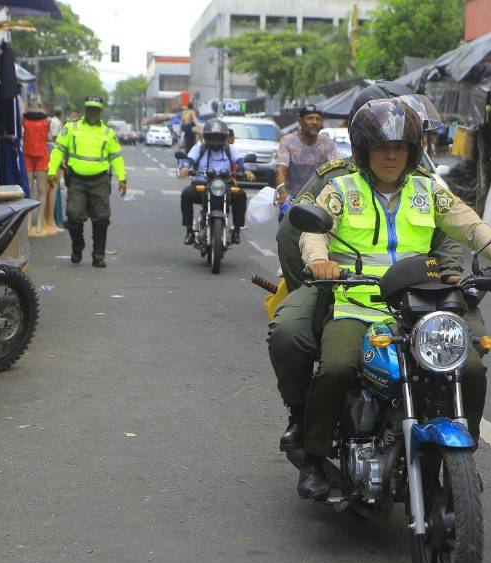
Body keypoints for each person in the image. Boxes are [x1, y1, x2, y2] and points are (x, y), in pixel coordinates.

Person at [294, 98, 491, 500]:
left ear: (411, 151)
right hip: (358, 304)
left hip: (420, 309)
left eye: (399, 147)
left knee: (469, 369)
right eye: (381, 147)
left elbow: (470, 225)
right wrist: (320, 261)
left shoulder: (428, 191)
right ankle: (315, 459)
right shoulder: (341, 188)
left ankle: (462, 459)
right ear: (363, 150)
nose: (390, 155)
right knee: (334, 368)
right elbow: (313, 230)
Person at [267, 82, 469, 454]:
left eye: (404, 129)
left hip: (422, 290)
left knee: (469, 353)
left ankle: (459, 444)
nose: (393, 143)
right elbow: (291, 236)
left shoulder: (427, 180)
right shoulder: (337, 177)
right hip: (340, 284)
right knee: (289, 332)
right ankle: (302, 418)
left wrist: (452, 275)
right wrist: (317, 279)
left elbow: (453, 230)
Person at [48, 96, 127, 268]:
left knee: (101, 218)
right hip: (77, 179)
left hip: (100, 180)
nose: (92, 112)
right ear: (85, 110)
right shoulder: (71, 127)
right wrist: (51, 171)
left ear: (100, 112)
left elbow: (116, 157)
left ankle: (98, 255)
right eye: (89, 109)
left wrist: (122, 178)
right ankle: (78, 246)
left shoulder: (108, 132)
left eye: (96, 110)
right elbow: (58, 150)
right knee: (73, 215)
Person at [179, 118, 254, 247]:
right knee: (186, 194)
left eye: (218, 138)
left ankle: (236, 230)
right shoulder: (199, 148)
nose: (215, 142)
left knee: (241, 195)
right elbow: (188, 160)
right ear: (206, 138)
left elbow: (242, 161)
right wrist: (185, 168)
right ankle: (189, 230)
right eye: (212, 138)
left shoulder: (230, 149)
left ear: (224, 138)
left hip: (225, 184)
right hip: (202, 184)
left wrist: (247, 171)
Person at [275, 105, 339, 207]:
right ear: (300, 121)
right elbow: (281, 168)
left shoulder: (328, 143)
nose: (314, 122)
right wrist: (282, 192)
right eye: (310, 118)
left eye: (318, 119)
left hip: (319, 198)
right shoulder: (288, 141)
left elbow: (336, 170)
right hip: (291, 196)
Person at [21, 104, 51, 235]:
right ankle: (30, 221)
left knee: (38, 190)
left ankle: (38, 222)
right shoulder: (27, 120)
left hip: (41, 156)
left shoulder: (45, 121)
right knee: (32, 190)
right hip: (29, 154)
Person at [44, 109, 65, 234]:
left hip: (45, 150)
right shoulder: (56, 123)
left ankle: (47, 220)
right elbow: (56, 138)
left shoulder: (49, 121)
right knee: (52, 186)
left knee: (47, 187)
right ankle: (50, 221)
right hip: (54, 151)